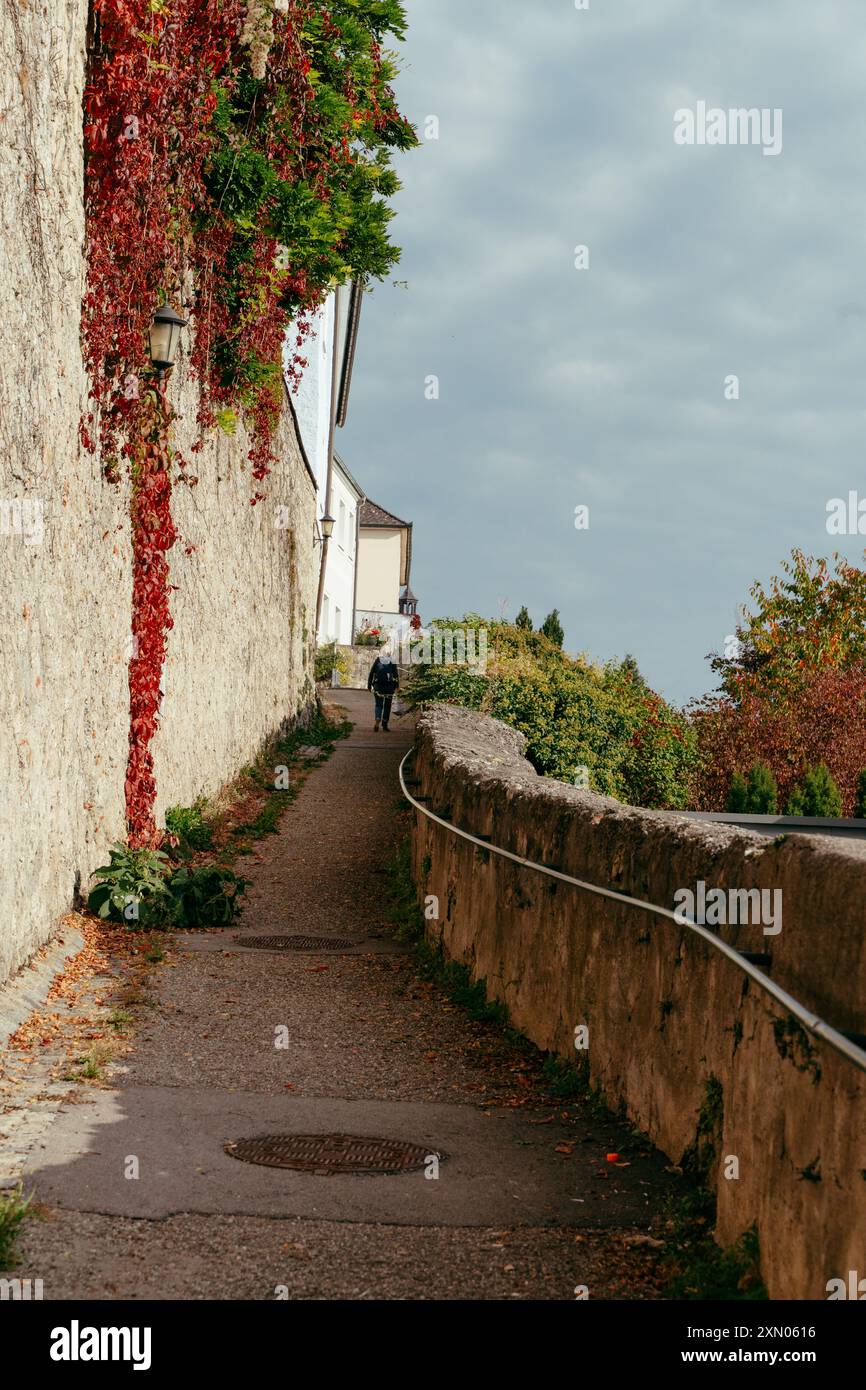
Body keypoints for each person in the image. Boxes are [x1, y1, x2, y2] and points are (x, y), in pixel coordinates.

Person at [368, 649, 400, 732]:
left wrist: (369, 686)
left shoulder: (378, 660)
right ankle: (385, 724)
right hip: (389, 688)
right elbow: (395, 675)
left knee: (378, 705)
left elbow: (371, 673)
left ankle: (378, 719)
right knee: (387, 706)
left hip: (378, 687)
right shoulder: (392, 661)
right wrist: (397, 686)